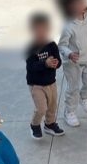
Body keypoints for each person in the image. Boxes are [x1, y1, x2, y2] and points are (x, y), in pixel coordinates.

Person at [25, 11, 66, 140]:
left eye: (44, 29)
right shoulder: (31, 48)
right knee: (41, 108)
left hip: (51, 82)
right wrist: (45, 63)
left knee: (52, 106)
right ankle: (34, 124)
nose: (41, 33)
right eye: (38, 30)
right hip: (36, 84)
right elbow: (31, 67)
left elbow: (58, 61)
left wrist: (56, 63)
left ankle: (49, 124)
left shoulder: (52, 45)